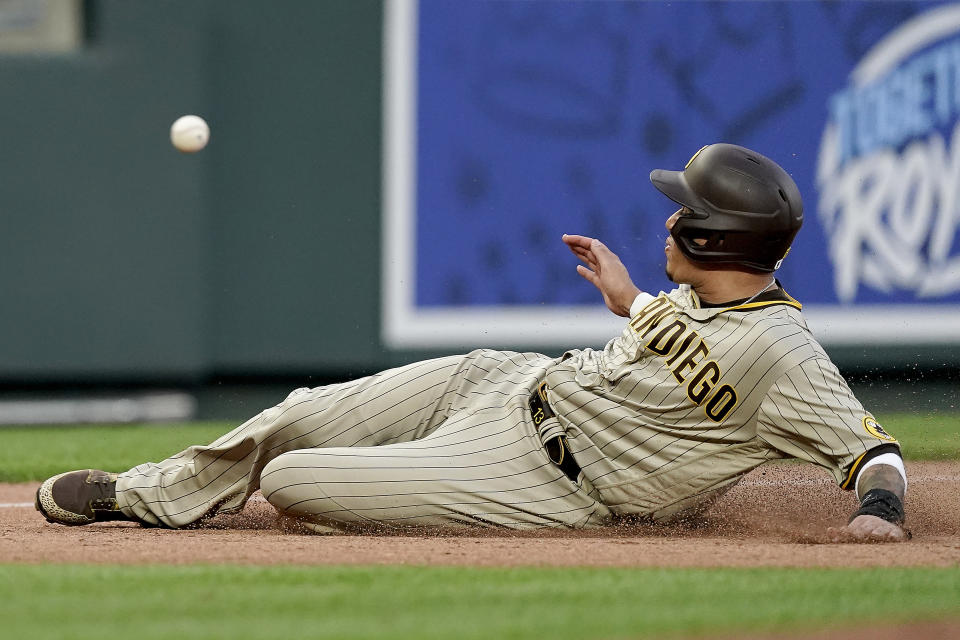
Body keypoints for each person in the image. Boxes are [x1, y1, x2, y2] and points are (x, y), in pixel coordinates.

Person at [36, 143, 908, 541]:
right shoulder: (689, 297)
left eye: (687, 208)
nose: (671, 214)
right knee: (301, 416)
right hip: (509, 382)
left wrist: (879, 512)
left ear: (715, 238)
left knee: (297, 481)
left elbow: (873, 453)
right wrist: (626, 297)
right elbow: (685, 341)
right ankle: (141, 494)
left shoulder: (784, 355)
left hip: (548, 483)